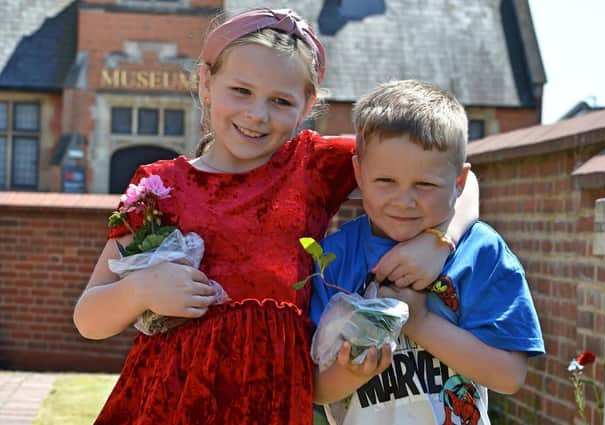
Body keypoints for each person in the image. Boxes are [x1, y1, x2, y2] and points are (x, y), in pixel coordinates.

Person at [73, 9, 479, 425]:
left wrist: (439, 239)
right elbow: (89, 318)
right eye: (241, 91)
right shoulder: (158, 187)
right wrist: (141, 288)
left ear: (308, 104)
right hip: (167, 403)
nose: (257, 115)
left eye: (281, 101)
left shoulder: (313, 166)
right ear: (206, 83)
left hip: (273, 401)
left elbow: (457, 173)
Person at [310, 80, 545, 425]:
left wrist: (419, 322)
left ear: (459, 182)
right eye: (386, 181)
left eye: (425, 185)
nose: (404, 201)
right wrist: (352, 372)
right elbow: (315, 388)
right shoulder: (333, 259)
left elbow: (509, 376)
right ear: (359, 173)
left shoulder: (480, 253)